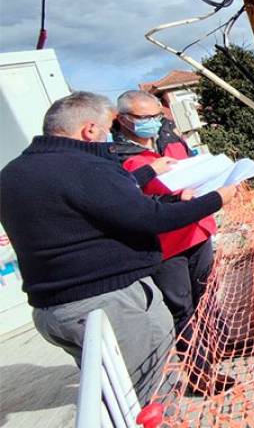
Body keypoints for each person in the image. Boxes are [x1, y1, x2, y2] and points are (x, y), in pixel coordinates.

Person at [0, 91, 236, 404]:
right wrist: (217, 198)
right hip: (108, 304)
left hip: (55, 311)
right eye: (107, 127)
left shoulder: (14, 174)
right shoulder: (84, 167)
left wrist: (149, 172)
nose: (109, 135)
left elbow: (98, 198)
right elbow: (149, 217)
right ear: (89, 130)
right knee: (153, 397)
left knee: (116, 394)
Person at [112, 91, 217, 349]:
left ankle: (220, 343)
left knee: (209, 295)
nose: (154, 122)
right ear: (123, 119)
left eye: (157, 115)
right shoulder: (115, 157)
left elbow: (194, 165)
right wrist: (173, 201)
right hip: (165, 246)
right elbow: (127, 205)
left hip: (197, 229)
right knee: (182, 308)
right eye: (145, 117)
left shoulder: (169, 136)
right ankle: (199, 369)